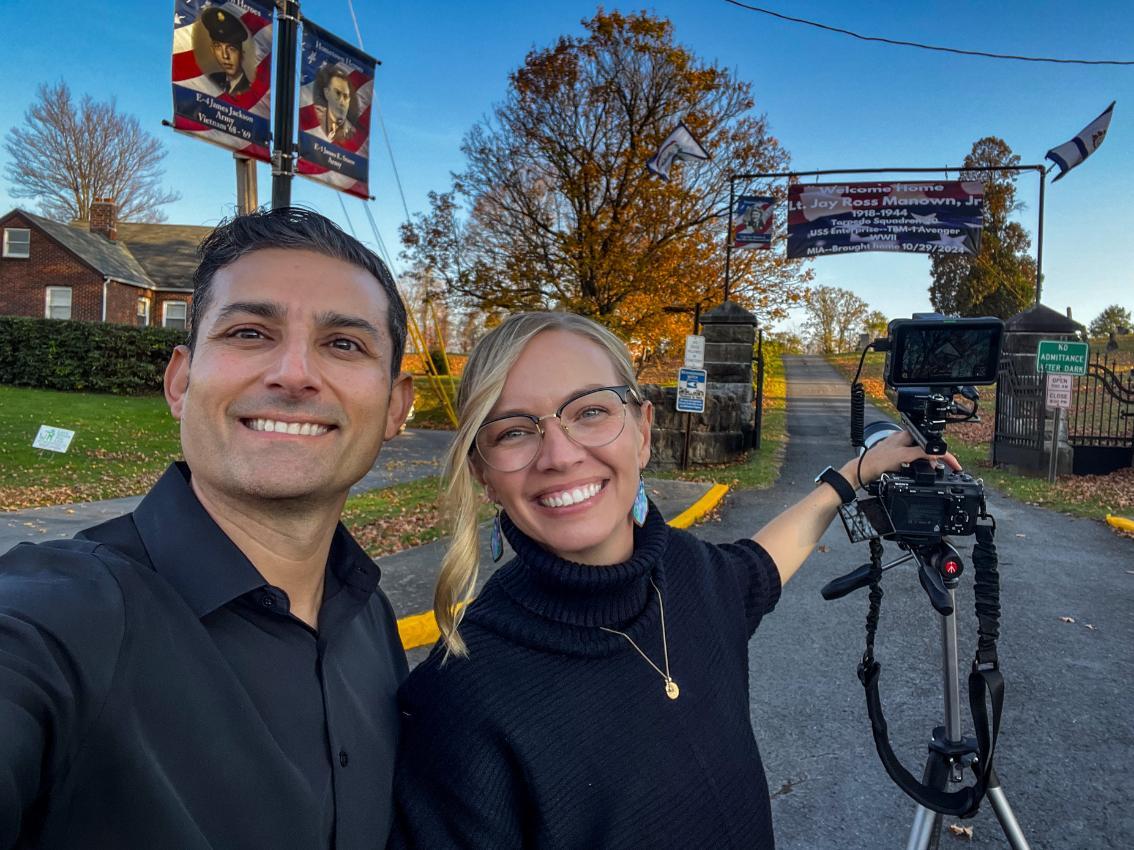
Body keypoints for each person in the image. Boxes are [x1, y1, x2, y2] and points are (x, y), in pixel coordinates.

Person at [387, 311, 959, 849]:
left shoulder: (690, 570)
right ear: (483, 473)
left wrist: (855, 474)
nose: (559, 455)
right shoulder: (457, 701)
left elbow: (761, 564)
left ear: (642, 432)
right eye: (514, 431)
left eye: (589, 412)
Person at [0, 208, 415, 848]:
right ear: (180, 381)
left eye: (343, 344)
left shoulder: (371, 616)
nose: (294, 373)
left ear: (395, 406)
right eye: (249, 332)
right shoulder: (65, 616)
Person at [202, 5, 252, 96]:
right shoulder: (212, 79)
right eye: (218, 47)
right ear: (212, 50)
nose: (225, 56)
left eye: (231, 48)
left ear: (242, 53)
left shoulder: (249, 90)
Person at [309, 64, 358, 146]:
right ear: (327, 93)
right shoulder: (315, 116)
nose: (342, 102)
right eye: (337, 93)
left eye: (346, 96)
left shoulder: (353, 133)